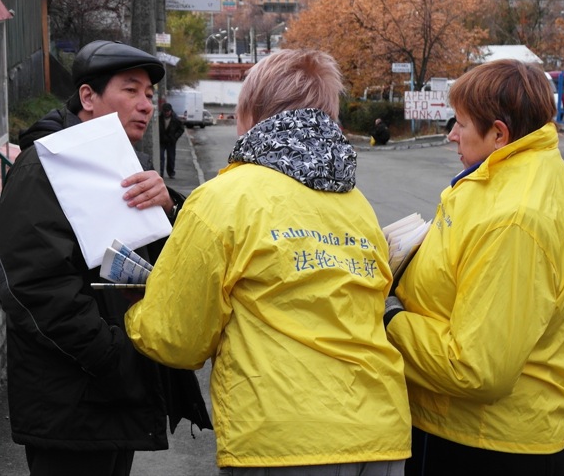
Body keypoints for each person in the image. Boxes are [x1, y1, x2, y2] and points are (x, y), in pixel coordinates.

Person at [125, 49, 412, 474]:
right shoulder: (357, 205)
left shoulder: (223, 199)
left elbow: (177, 338)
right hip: (381, 435)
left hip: (284, 439)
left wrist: (133, 312)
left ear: (249, 114)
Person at [0, 40, 211, 476]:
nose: (145, 104)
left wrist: (172, 206)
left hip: (112, 392)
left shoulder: (122, 164)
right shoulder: (45, 165)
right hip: (74, 396)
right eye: (130, 90)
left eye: (149, 94)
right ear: (87, 97)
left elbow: (164, 262)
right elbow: (31, 285)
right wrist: (115, 357)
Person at [383, 59, 564, 475]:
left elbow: (477, 369)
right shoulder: (523, 170)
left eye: (461, 124)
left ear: (499, 133)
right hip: (483, 435)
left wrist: (391, 318)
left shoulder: (513, 217)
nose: (451, 135)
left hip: (483, 446)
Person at [159, 102, 185, 178]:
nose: (166, 113)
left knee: (171, 158)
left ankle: (171, 172)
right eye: (165, 111)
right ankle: (161, 173)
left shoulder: (175, 119)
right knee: (161, 157)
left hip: (171, 141)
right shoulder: (159, 118)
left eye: (168, 111)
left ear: (171, 111)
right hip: (162, 141)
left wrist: (175, 137)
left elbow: (181, 129)